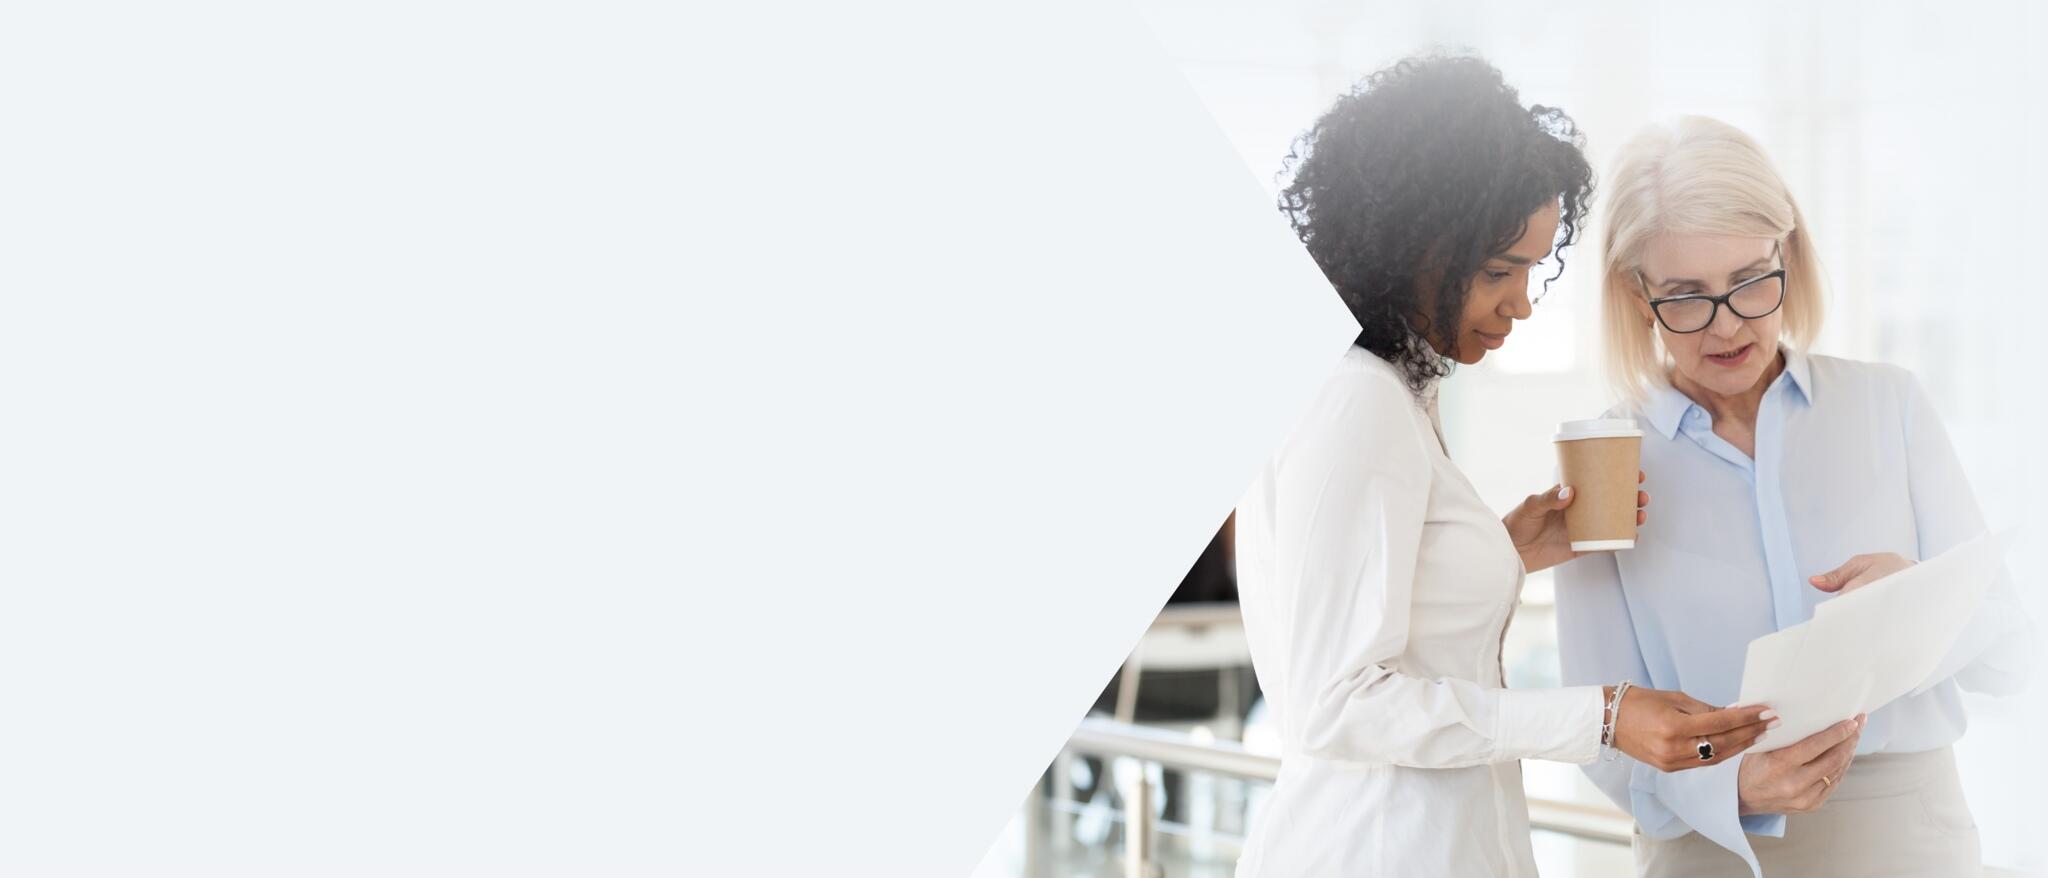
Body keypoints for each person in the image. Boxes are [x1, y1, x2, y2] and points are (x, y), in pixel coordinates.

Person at [1231, 56, 1772, 877]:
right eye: (1497, 271)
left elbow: (1378, 611)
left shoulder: (1387, 389)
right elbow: (1335, 705)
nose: (1522, 302)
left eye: (1531, 268)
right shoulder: (1358, 401)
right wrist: (1603, 716)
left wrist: (1506, 549)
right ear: (1407, 247)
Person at [1555, 115, 2034, 877]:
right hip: (1711, 847)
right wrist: (1726, 778)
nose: (1728, 326)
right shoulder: (1604, 462)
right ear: (1637, 296)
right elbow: (1596, 725)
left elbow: (2012, 653)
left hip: (1905, 835)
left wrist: (1915, 600)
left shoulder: (1890, 407)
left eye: (1751, 281)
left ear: (1790, 255)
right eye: (1686, 297)